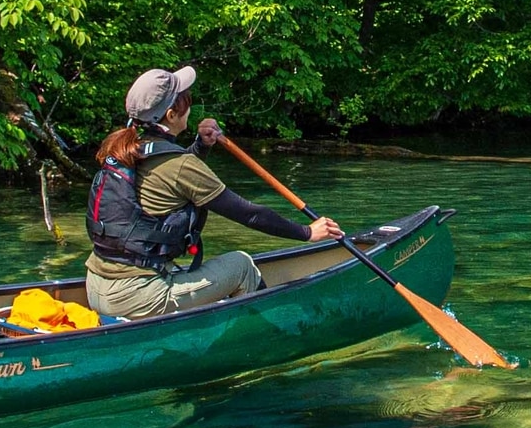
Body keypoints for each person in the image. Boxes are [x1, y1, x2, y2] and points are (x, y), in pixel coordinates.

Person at [83, 65, 341, 322]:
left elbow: (173, 179)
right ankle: (266, 337)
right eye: (187, 101)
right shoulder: (181, 165)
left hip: (96, 287)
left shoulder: (126, 148)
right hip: (136, 295)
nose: (190, 106)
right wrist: (307, 233)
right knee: (241, 266)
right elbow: (248, 214)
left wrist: (200, 146)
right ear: (172, 115)